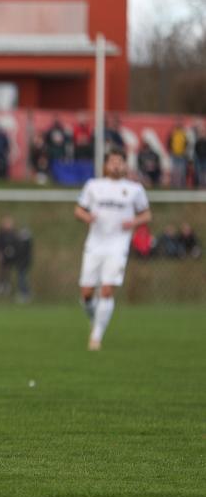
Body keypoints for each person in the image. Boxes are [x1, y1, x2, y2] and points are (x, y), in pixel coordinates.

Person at [75, 149, 151, 351]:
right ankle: (95, 320)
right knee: (86, 293)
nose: (116, 165)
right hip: (94, 244)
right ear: (106, 165)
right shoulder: (93, 186)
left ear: (125, 166)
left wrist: (133, 221)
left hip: (118, 245)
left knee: (107, 290)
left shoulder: (134, 189)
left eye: (120, 162)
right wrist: (87, 217)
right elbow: (79, 210)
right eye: (112, 162)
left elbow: (146, 215)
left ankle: (96, 336)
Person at [167, 121, 189, 189]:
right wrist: (171, 150)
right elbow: (169, 142)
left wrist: (184, 151)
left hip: (181, 155)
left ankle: (181, 184)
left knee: (181, 170)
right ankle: (175, 184)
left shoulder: (183, 134)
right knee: (175, 170)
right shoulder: (174, 133)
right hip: (175, 154)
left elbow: (186, 143)